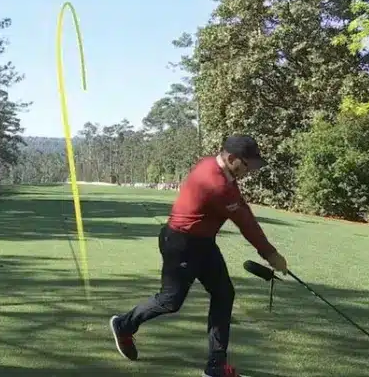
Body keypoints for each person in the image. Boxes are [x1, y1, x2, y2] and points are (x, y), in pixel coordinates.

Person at [109, 135, 288, 377]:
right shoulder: (216, 184)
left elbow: (242, 209)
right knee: (170, 301)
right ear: (232, 158)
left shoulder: (219, 169)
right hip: (180, 244)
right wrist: (270, 254)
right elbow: (245, 222)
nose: (250, 171)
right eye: (247, 165)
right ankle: (124, 324)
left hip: (203, 243)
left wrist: (269, 252)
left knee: (224, 294)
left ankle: (216, 366)